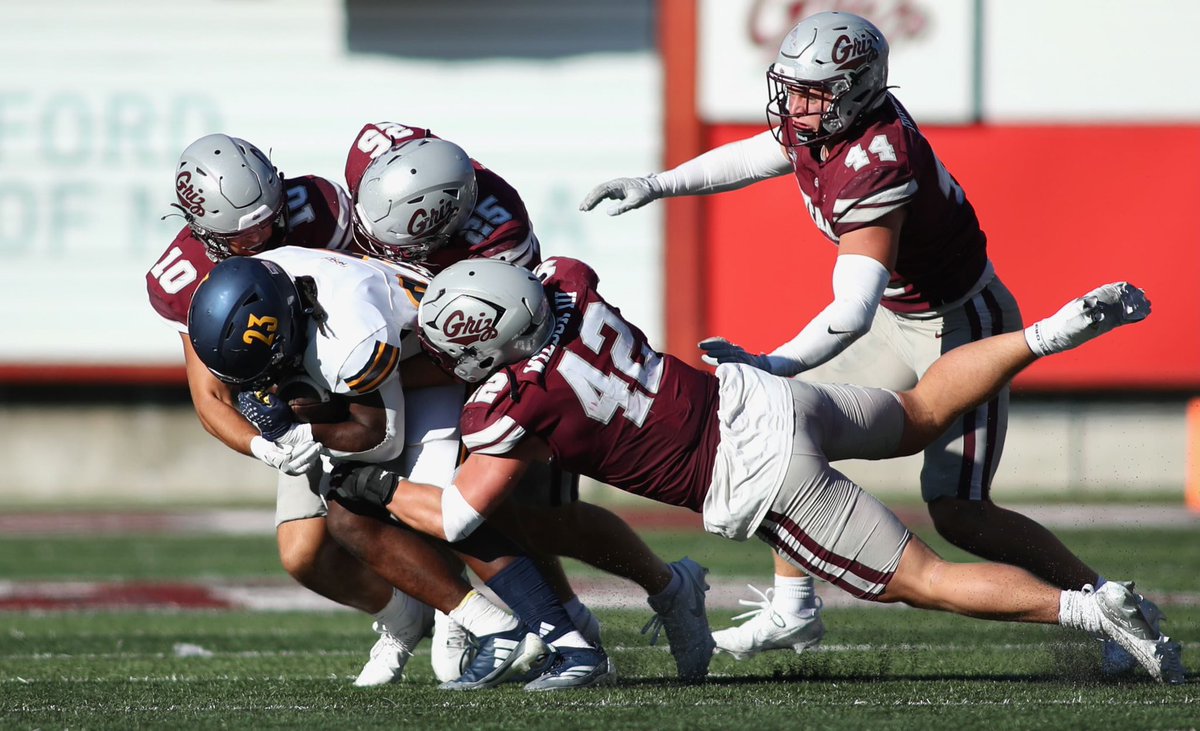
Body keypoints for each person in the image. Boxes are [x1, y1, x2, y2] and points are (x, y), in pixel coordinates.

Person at [577, 10, 1161, 674]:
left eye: (813, 91)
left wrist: (772, 360)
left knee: (961, 514)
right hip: (898, 316)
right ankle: (794, 605)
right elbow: (758, 155)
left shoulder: (877, 161)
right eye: (791, 87)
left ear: (856, 88)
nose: (795, 105)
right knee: (781, 421)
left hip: (959, 322)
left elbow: (849, 310)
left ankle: (1108, 607)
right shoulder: (827, 123)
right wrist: (657, 184)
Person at [331, 256, 1183, 686]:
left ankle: (1092, 608)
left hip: (758, 472)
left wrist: (365, 483)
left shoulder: (510, 404)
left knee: (923, 576)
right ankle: (1047, 333)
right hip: (766, 399)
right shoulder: (568, 289)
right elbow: (537, 278)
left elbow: (455, 515)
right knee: (922, 411)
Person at [345, 122, 715, 680]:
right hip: (430, 355)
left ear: (445, 220)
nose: (375, 246)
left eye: (397, 241)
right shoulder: (377, 164)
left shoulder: (500, 240)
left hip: (494, 364)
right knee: (490, 510)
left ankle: (664, 587)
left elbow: (478, 347)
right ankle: (566, 628)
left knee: (543, 518)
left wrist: (370, 377)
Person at [146, 133, 434, 686]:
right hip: (300, 402)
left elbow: (388, 290)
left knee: (429, 506)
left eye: (267, 219)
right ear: (201, 227)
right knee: (304, 554)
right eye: (243, 232)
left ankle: (473, 615)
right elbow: (210, 399)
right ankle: (404, 617)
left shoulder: (319, 209)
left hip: (380, 368)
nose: (262, 236)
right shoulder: (182, 276)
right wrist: (271, 446)